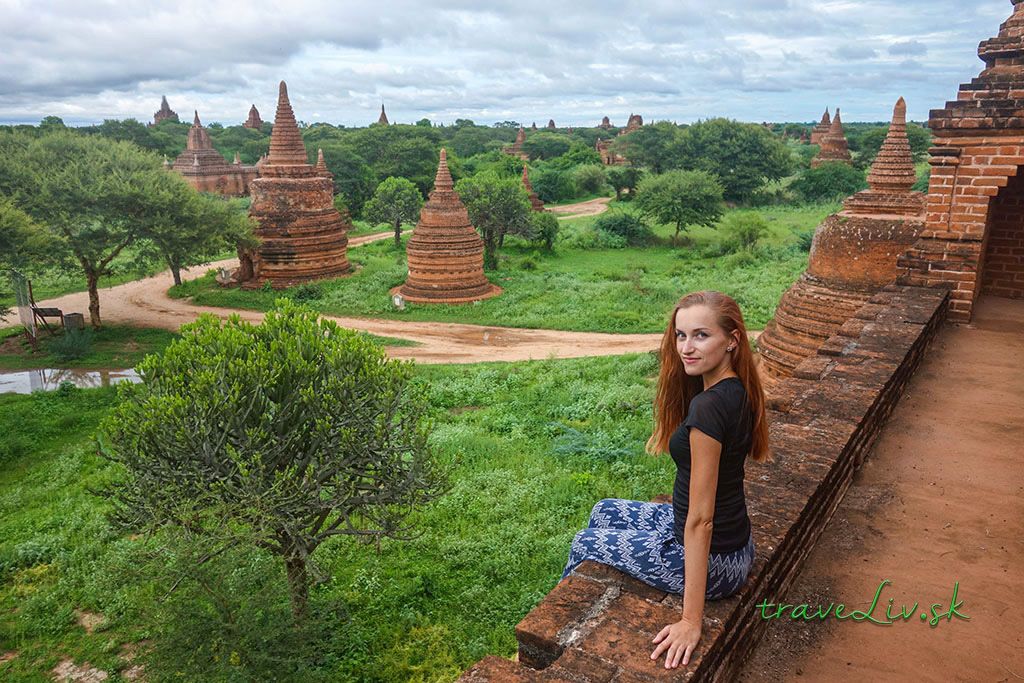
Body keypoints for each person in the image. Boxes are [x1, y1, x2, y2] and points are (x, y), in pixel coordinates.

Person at [560, 290, 770, 670]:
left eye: (701, 335)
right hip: (738, 545)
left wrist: (692, 622)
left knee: (584, 541)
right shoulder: (735, 388)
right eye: (681, 335)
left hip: (717, 561)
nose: (687, 347)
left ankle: (562, 646)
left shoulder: (709, 408)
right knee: (604, 509)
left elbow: (701, 520)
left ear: (732, 340)